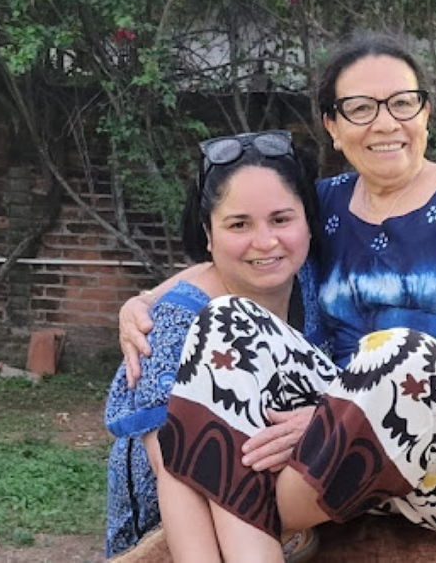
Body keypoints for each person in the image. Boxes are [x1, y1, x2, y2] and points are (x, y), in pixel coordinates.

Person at [120, 32, 436, 562]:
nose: (384, 122)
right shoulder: (326, 204)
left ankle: (259, 513)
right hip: (347, 466)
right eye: (360, 108)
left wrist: (344, 414)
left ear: (425, 113)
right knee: (228, 318)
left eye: (401, 102)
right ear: (332, 124)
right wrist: (144, 299)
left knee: (404, 350)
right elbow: (239, 257)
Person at [104, 130, 324, 559]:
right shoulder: (170, 328)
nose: (265, 241)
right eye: (239, 224)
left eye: (281, 219)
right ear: (208, 235)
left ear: (308, 221)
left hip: (277, 507)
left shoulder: (310, 281)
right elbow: (175, 470)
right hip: (173, 533)